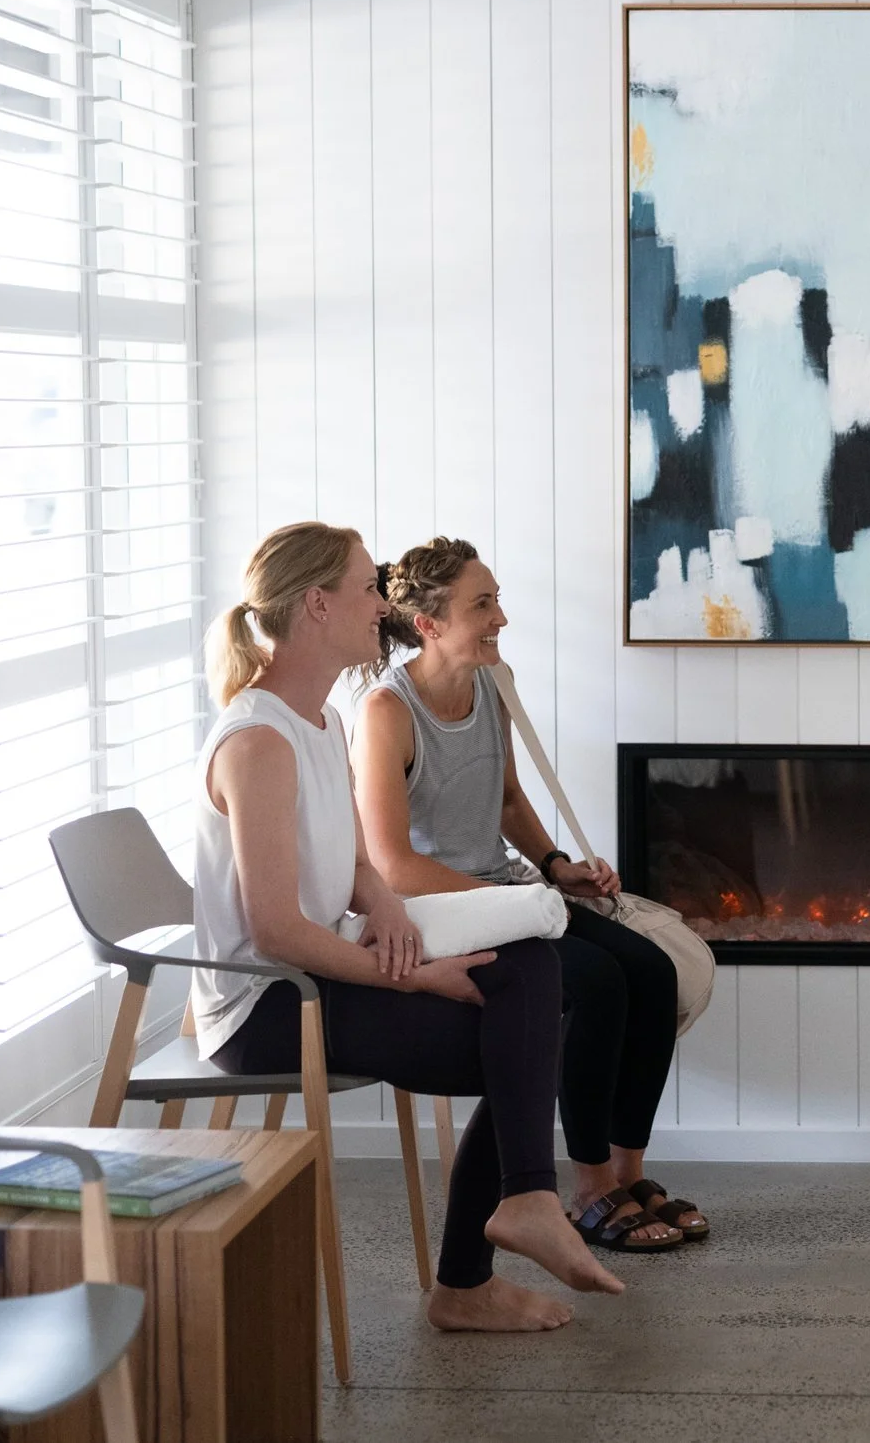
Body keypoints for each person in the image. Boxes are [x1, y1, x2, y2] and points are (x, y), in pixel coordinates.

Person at [192, 521, 624, 1331]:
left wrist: (387, 906)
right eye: (366, 588)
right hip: (268, 1005)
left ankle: (521, 1209)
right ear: (317, 605)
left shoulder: (321, 721)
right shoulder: (259, 742)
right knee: (518, 1044)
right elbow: (276, 931)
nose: (380, 606)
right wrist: (414, 975)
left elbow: (360, 863)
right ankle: (475, 1270)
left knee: (531, 964)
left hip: (324, 966)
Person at [353, 536, 709, 1255]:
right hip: (439, 911)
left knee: (651, 970)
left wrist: (553, 864)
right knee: (598, 984)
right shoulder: (387, 712)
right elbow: (392, 866)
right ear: (428, 624)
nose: (500, 619)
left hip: (507, 892)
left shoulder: (491, 680)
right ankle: (589, 1189)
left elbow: (509, 796)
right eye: (482, 605)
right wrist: (505, 899)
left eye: (498, 601)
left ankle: (628, 1174)